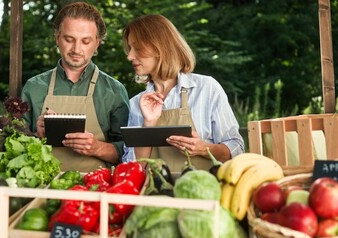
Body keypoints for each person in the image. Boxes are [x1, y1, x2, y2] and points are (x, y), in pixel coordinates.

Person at [121, 14, 244, 172]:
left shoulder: (207, 88)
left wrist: (203, 148)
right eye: (130, 49)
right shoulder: (136, 104)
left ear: (160, 47)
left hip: (204, 191)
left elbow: (236, 148)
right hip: (156, 194)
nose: (130, 56)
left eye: (137, 48)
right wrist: (148, 125)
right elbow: (135, 168)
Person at [21, 2, 129, 172]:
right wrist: (36, 136)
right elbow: (14, 147)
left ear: (97, 44)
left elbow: (129, 152)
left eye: (86, 41)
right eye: (69, 39)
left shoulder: (114, 91)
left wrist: (96, 147)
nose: (76, 49)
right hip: (42, 187)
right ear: (57, 38)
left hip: (96, 187)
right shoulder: (33, 88)